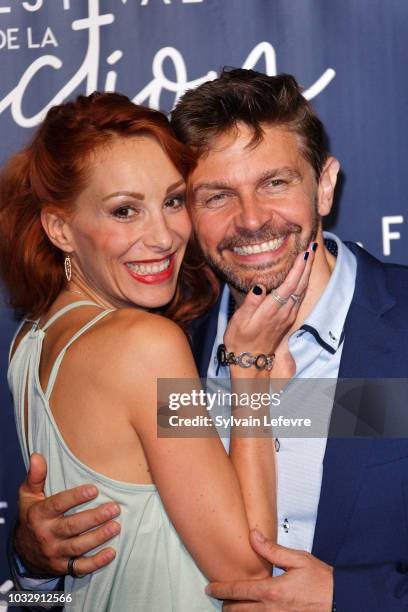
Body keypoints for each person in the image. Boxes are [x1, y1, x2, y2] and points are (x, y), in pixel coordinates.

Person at [9, 70, 408, 611]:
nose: (251, 220)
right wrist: (35, 569)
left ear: (325, 186)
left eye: (275, 182)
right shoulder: (167, 344)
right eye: (215, 195)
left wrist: (352, 597)